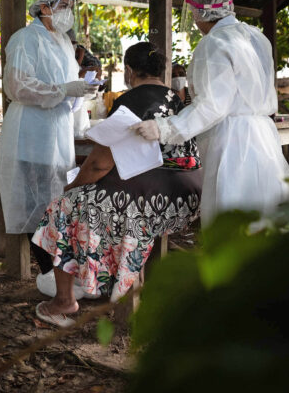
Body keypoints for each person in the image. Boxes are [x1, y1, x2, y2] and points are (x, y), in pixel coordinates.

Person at [32, 42, 203, 327]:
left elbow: (100, 163)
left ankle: (63, 302)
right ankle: (98, 280)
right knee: (95, 200)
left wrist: (72, 188)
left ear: (129, 71)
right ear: (162, 70)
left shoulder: (132, 100)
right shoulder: (179, 98)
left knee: (63, 208)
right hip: (188, 195)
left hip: (152, 198)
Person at [132, 0, 289, 226]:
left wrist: (163, 128)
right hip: (264, 136)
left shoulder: (213, 43)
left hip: (232, 141)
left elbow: (213, 105)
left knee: (231, 215)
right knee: (266, 211)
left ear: (202, 11)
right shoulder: (256, 36)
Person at [0, 0, 96, 286]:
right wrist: (64, 89)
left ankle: (59, 275)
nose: (68, 13)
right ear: (43, 7)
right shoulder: (26, 39)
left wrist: (82, 92)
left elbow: (67, 89)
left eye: (69, 7)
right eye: (62, 6)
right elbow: (17, 86)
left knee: (56, 203)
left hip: (59, 131)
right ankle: (48, 274)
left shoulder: (64, 42)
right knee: (37, 206)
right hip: (32, 132)